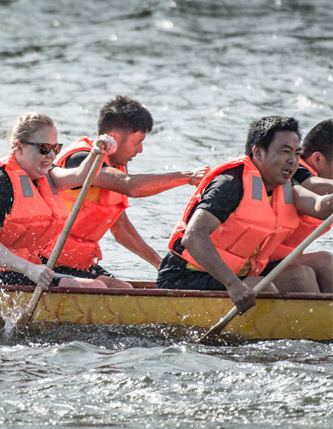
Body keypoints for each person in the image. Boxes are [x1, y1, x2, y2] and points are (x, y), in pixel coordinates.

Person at [157, 116, 333, 314]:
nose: (292, 161)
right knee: (261, 286)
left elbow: (320, 206)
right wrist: (233, 284)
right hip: (185, 277)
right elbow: (193, 236)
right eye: (285, 152)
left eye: (296, 153)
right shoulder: (230, 184)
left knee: (300, 277)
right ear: (258, 152)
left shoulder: (286, 186)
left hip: (238, 275)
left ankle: (317, 332)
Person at [43, 96, 208, 286]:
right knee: (121, 288)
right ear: (114, 138)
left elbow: (120, 228)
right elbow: (131, 186)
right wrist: (187, 177)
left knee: (128, 288)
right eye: (138, 141)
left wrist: (159, 264)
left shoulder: (116, 166)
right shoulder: (81, 159)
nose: (140, 150)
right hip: (45, 261)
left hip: (77, 263)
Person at [0, 112, 123, 290]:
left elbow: (80, 176)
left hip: (22, 268)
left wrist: (96, 153)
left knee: (117, 286)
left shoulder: (47, 174)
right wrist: (29, 268)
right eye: (43, 148)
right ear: (19, 148)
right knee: (95, 287)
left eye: (55, 148)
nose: (51, 155)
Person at [268, 119, 332, 284]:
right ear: (317, 159)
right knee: (305, 274)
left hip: (278, 257)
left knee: (327, 263)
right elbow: (313, 188)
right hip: (249, 263)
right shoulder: (291, 170)